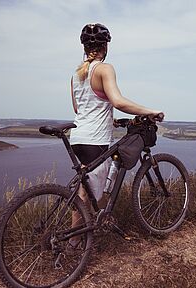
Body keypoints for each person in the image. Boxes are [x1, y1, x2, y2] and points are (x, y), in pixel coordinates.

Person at [68, 23, 163, 248]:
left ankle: (85, 236)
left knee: (87, 191)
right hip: (96, 141)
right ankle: (73, 244)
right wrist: (150, 111)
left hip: (78, 138)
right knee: (88, 197)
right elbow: (118, 101)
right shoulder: (104, 69)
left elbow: (78, 108)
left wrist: (109, 119)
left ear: (84, 46)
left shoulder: (76, 74)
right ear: (105, 46)